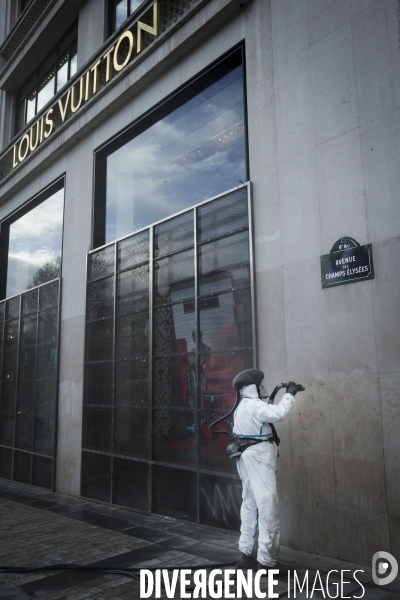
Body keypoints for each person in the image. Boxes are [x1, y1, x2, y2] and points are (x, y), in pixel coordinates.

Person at [232, 368, 303, 571]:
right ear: (252, 387)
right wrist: (289, 394)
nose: (263, 387)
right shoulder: (254, 406)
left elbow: (266, 413)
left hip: (247, 456)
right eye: (260, 384)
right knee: (267, 506)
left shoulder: (243, 406)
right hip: (258, 458)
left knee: (250, 504)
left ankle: (247, 555)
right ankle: (267, 562)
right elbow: (278, 414)